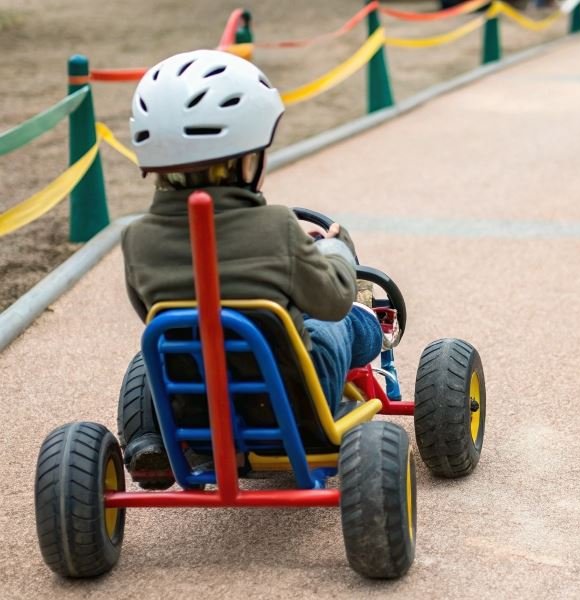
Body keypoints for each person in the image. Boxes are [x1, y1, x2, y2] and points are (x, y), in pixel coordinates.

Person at [121, 49, 383, 489]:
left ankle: (151, 439)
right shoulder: (278, 226)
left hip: (198, 412)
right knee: (347, 323)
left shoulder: (137, 238)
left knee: (164, 341)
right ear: (246, 159)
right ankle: (368, 338)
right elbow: (332, 302)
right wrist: (336, 250)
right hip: (296, 404)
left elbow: (144, 308)